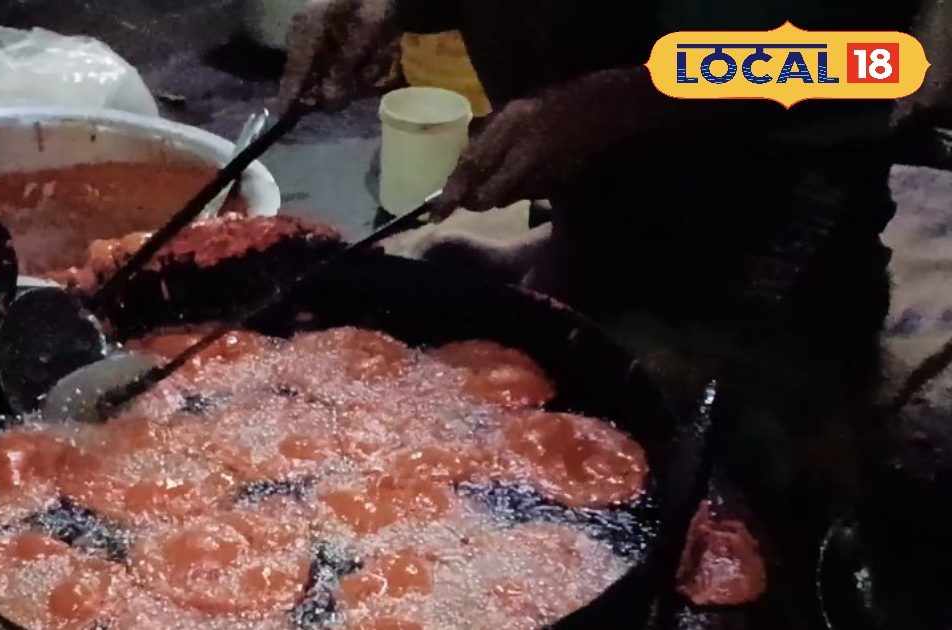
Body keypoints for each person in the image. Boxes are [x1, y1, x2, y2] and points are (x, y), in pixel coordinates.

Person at [282, 2, 940, 625]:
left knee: (738, 508)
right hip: (601, 199)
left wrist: (631, 96)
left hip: (767, 224)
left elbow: (875, 59)